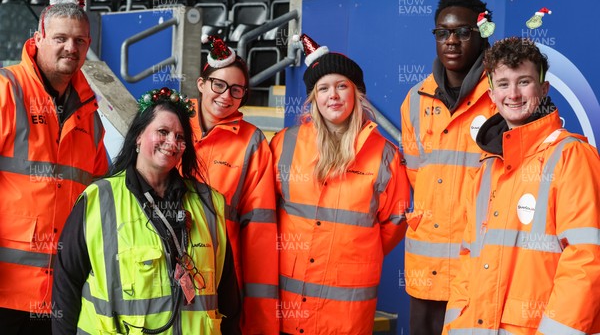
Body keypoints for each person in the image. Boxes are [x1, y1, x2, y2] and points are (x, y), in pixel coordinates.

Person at [52, 87, 241, 334]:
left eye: (180, 137)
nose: (172, 143)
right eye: (162, 132)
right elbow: (66, 286)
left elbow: (227, 294)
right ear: (139, 136)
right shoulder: (99, 199)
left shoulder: (208, 204)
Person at [444, 37, 600, 334]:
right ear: (491, 94)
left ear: (543, 89)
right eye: (503, 84)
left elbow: (587, 261)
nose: (513, 94)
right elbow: (468, 260)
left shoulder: (571, 157)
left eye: (524, 81)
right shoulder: (487, 166)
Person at [271, 34, 410, 334]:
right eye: (323, 88)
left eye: (341, 86)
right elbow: (268, 210)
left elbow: (395, 221)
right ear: (314, 98)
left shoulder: (384, 153)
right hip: (290, 303)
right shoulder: (286, 144)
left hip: (346, 311)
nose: (332, 95)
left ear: (357, 94)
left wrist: (353, 249)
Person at [0, 2, 109, 334]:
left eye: (80, 41)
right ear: (39, 37)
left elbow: (101, 192)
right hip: (7, 292)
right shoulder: (8, 90)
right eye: (60, 38)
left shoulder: (89, 110)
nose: (70, 48)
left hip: (63, 290)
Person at [400, 0, 497, 335]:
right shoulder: (414, 99)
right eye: (443, 32)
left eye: (463, 32)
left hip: (480, 262)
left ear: (482, 33)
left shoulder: (503, 96)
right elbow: (416, 175)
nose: (451, 41)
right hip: (425, 265)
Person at [192, 35, 279, 334]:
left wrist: (261, 322)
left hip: (220, 280)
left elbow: (261, 235)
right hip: (159, 272)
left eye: (236, 90)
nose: (226, 96)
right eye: (218, 85)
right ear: (201, 83)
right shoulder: (170, 122)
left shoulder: (253, 142)